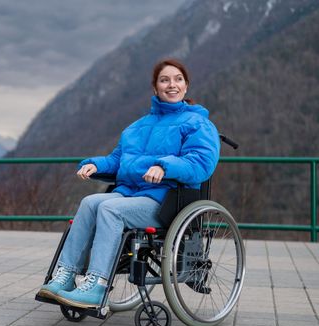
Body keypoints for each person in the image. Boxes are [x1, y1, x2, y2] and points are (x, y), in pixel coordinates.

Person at [37, 58, 221, 309]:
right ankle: (66, 275)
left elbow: (201, 163)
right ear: (155, 88)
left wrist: (164, 166)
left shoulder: (198, 123)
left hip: (166, 201)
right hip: (131, 193)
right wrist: (96, 166)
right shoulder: (137, 127)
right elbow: (117, 160)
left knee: (110, 209)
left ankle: (97, 284)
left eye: (178, 79)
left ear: (186, 86)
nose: (172, 85)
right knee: (90, 202)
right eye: (164, 80)